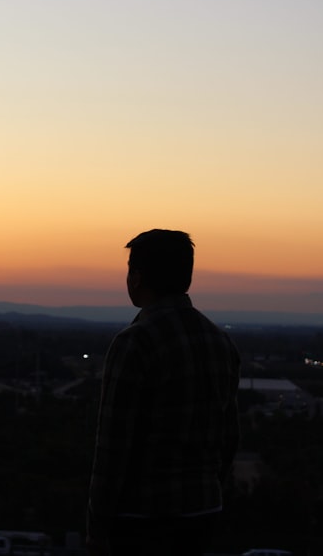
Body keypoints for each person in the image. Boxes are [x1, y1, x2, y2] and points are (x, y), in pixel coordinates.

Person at [87, 229, 241, 556]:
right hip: (203, 512)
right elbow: (229, 435)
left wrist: (98, 525)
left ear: (137, 278)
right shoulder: (220, 341)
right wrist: (210, 491)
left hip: (144, 517)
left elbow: (113, 445)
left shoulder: (135, 342)